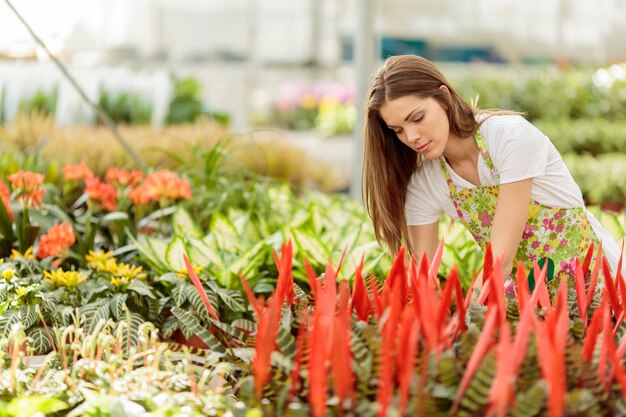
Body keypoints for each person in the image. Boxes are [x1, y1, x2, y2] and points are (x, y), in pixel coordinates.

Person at [362, 55, 621, 286]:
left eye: (417, 118)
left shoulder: (510, 137)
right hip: (527, 303)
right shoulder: (426, 184)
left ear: (443, 98)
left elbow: (501, 261)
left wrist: (469, 314)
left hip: (597, 283)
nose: (412, 136)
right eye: (398, 131)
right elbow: (422, 279)